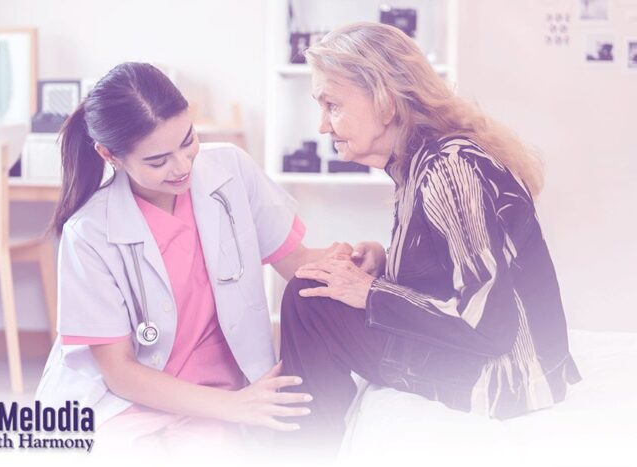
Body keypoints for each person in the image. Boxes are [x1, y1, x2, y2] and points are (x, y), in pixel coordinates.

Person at [34, 62, 384, 452]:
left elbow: (297, 263)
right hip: (126, 402)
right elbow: (120, 372)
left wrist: (363, 257)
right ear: (109, 155)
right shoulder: (90, 232)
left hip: (217, 398)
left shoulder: (230, 170)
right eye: (157, 160)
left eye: (187, 140)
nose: (182, 167)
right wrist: (234, 406)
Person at [278, 22, 582, 456]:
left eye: (333, 105)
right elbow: (454, 273)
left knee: (307, 298)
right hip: (511, 367)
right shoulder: (422, 159)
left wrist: (371, 293)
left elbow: (486, 326)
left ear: (385, 101)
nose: (324, 125)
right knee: (316, 293)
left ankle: (306, 451)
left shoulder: (447, 169)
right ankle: (314, 442)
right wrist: (384, 263)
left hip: (507, 379)